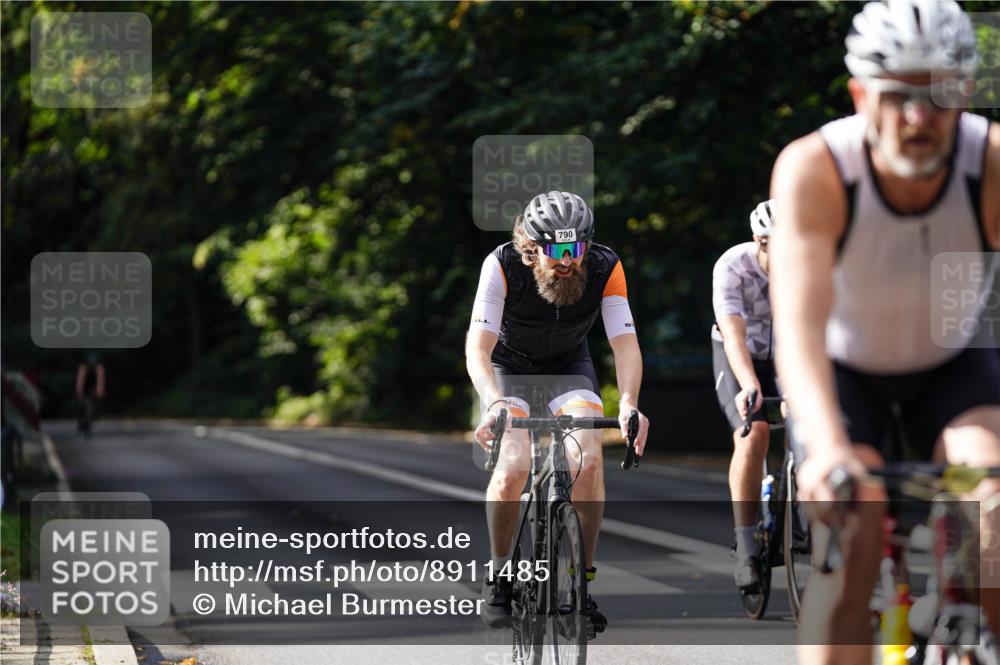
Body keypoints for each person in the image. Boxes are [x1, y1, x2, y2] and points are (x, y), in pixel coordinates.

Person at [770, 1, 999, 662]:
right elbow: (799, 325)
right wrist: (828, 450)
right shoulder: (815, 168)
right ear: (860, 93)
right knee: (855, 531)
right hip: (845, 373)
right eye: (899, 94)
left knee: (991, 511)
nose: (919, 118)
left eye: (941, 94)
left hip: (953, 367)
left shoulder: (990, 164)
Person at [466, 190, 650, 634]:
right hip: (510, 369)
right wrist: (493, 403)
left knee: (586, 459)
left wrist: (629, 404)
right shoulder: (502, 264)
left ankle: (581, 582)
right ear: (532, 248)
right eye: (557, 251)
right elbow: (479, 348)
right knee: (513, 465)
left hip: (570, 367)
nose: (568, 260)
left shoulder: (605, 266)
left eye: (577, 249)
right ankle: (500, 575)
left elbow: (624, 343)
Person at [711, 199, 779, 590]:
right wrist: (750, 384)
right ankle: (746, 543)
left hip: (787, 353)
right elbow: (733, 335)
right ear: (760, 241)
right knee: (754, 434)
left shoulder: (807, 262)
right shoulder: (732, 266)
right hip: (738, 354)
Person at [75, 353, 105, 436]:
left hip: (92, 391)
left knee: (90, 409)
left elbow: (100, 381)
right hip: (83, 390)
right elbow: (80, 381)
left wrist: (99, 392)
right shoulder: (83, 368)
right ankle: (81, 423)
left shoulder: (99, 368)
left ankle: (87, 426)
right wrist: (79, 392)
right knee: (81, 407)